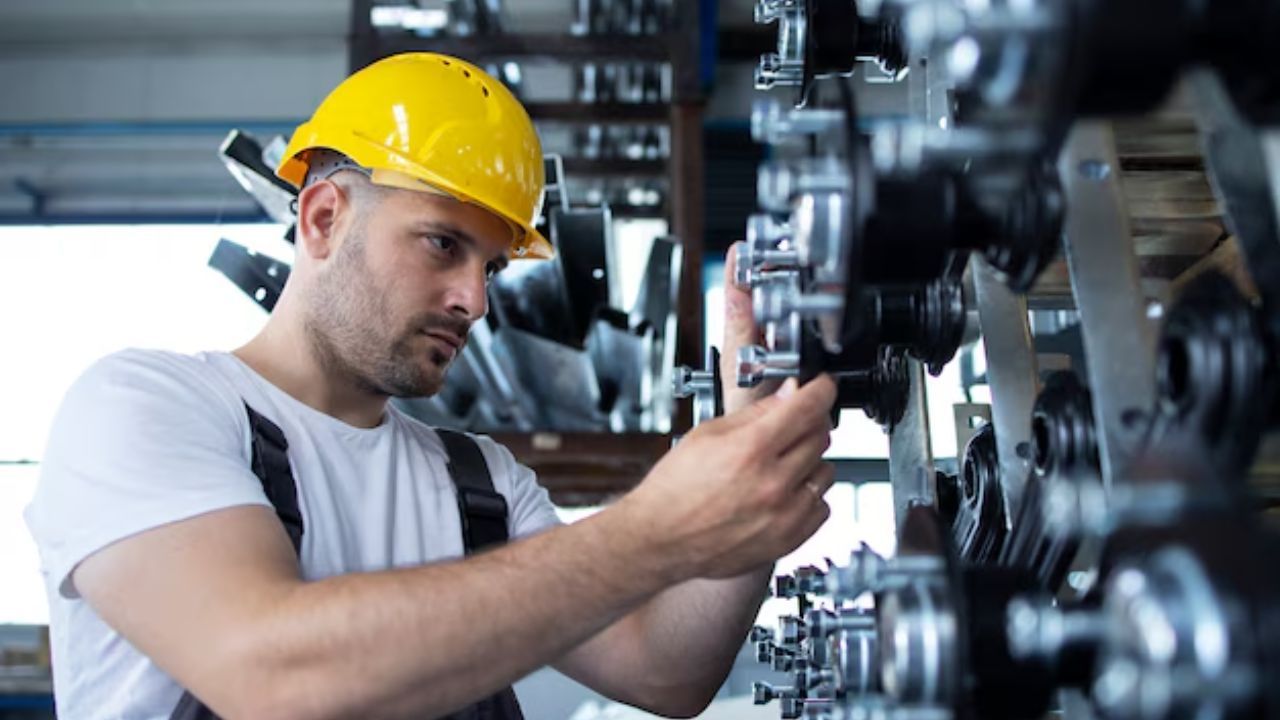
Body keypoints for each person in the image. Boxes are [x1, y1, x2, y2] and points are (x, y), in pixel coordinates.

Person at [25, 53, 837, 719]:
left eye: (489, 265)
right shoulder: (145, 408)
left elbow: (667, 674)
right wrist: (656, 529)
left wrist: (750, 464)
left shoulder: (477, 484)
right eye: (441, 244)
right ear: (322, 219)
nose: (475, 300)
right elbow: (270, 678)